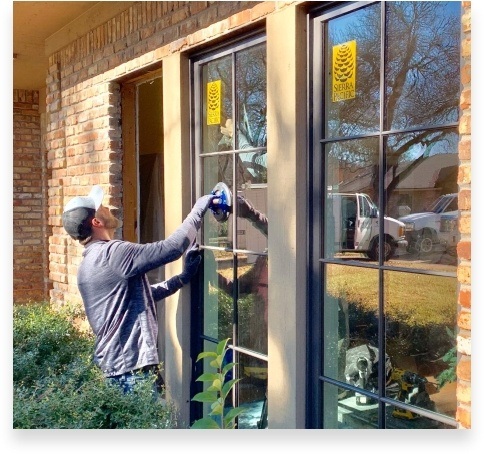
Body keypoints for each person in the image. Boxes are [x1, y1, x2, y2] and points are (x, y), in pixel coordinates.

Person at [61, 185, 217, 394]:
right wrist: (200, 208)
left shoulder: (89, 262)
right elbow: (172, 248)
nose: (107, 207)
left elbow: (138, 297)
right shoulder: (113, 253)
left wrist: (182, 278)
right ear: (96, 222)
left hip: (119, 368)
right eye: (102, 207)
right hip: (131, 371)